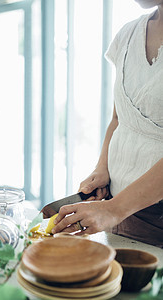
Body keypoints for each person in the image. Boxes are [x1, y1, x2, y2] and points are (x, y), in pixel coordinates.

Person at [53, 0, 163, 248]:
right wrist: (102, 169)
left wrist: (114, 209)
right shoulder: (128, 33)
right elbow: (119, 118)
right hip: (119, 204)